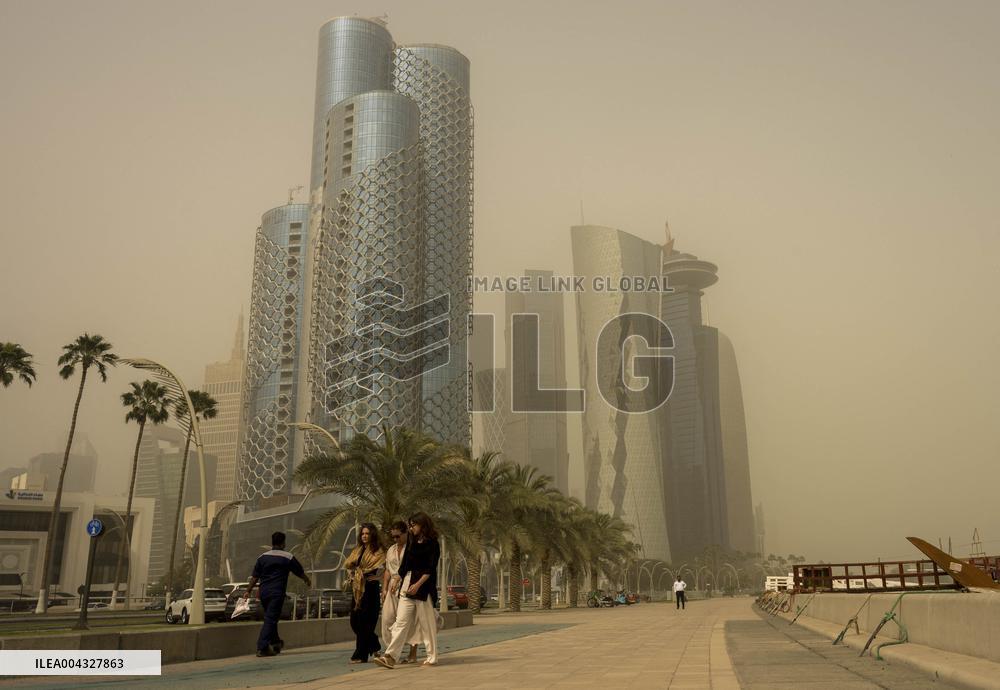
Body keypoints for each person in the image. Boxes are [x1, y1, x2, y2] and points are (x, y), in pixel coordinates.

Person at [374, 512, 441, 669]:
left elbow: (430, 568)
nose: (411, 528)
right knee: (401, 622)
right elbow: (405, 564)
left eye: (413, 525)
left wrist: (418, 585)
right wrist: (397, 579)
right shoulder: (412, 541)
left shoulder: (433, 543)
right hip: (407, 585)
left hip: (423, 586)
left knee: (426, 624)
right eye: (410, 525)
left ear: (423, 525)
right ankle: (390, 657)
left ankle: (432, 658)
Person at [244, 531, 311, 657]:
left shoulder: (262, 557)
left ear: (272, 542)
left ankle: (275, 643)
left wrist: (247, 591)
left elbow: (254, 577)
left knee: (270, 617)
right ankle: (262, 647)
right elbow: (299, 571)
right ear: (283, 542)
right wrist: (307, 579)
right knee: (271, 618)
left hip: (263, 593)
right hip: (277, 592)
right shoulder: (287, 557)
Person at [344, 522, 386, 663]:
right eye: (362, 533)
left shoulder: (378, 551)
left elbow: (388, 567)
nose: (364, 536)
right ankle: (374, 645)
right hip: (357, 588)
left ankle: (360, 655)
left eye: (367, 533)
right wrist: (352, 575)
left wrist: (378, 577)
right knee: (354, 621)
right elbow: (349, 564)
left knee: (365, 622)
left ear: (372, 534)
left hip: (370, 587)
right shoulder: (358, 549)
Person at [380, 521, 419, 664]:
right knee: (387, 619)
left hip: (407, 585)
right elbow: (388, 570)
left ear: (405, 533)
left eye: (398, 536)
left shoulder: (412, 548)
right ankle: (391, 650)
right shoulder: (391, 550)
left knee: (410, 621)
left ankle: (411, 653)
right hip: (391, 588)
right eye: (393, 537)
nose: (395, 539)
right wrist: (384, 589)